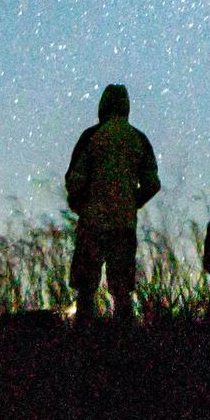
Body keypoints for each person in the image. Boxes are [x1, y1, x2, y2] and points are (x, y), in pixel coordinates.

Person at [64, 83, 161, 323]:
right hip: (124, 224)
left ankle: (86, 338)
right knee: (122, 291)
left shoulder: (92, 137)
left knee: (86, 289)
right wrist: (132, 202)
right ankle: (124, 340)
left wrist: (79, 204)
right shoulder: (139, 139)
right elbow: (152, 184)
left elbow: (74, 180)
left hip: (93, 222)